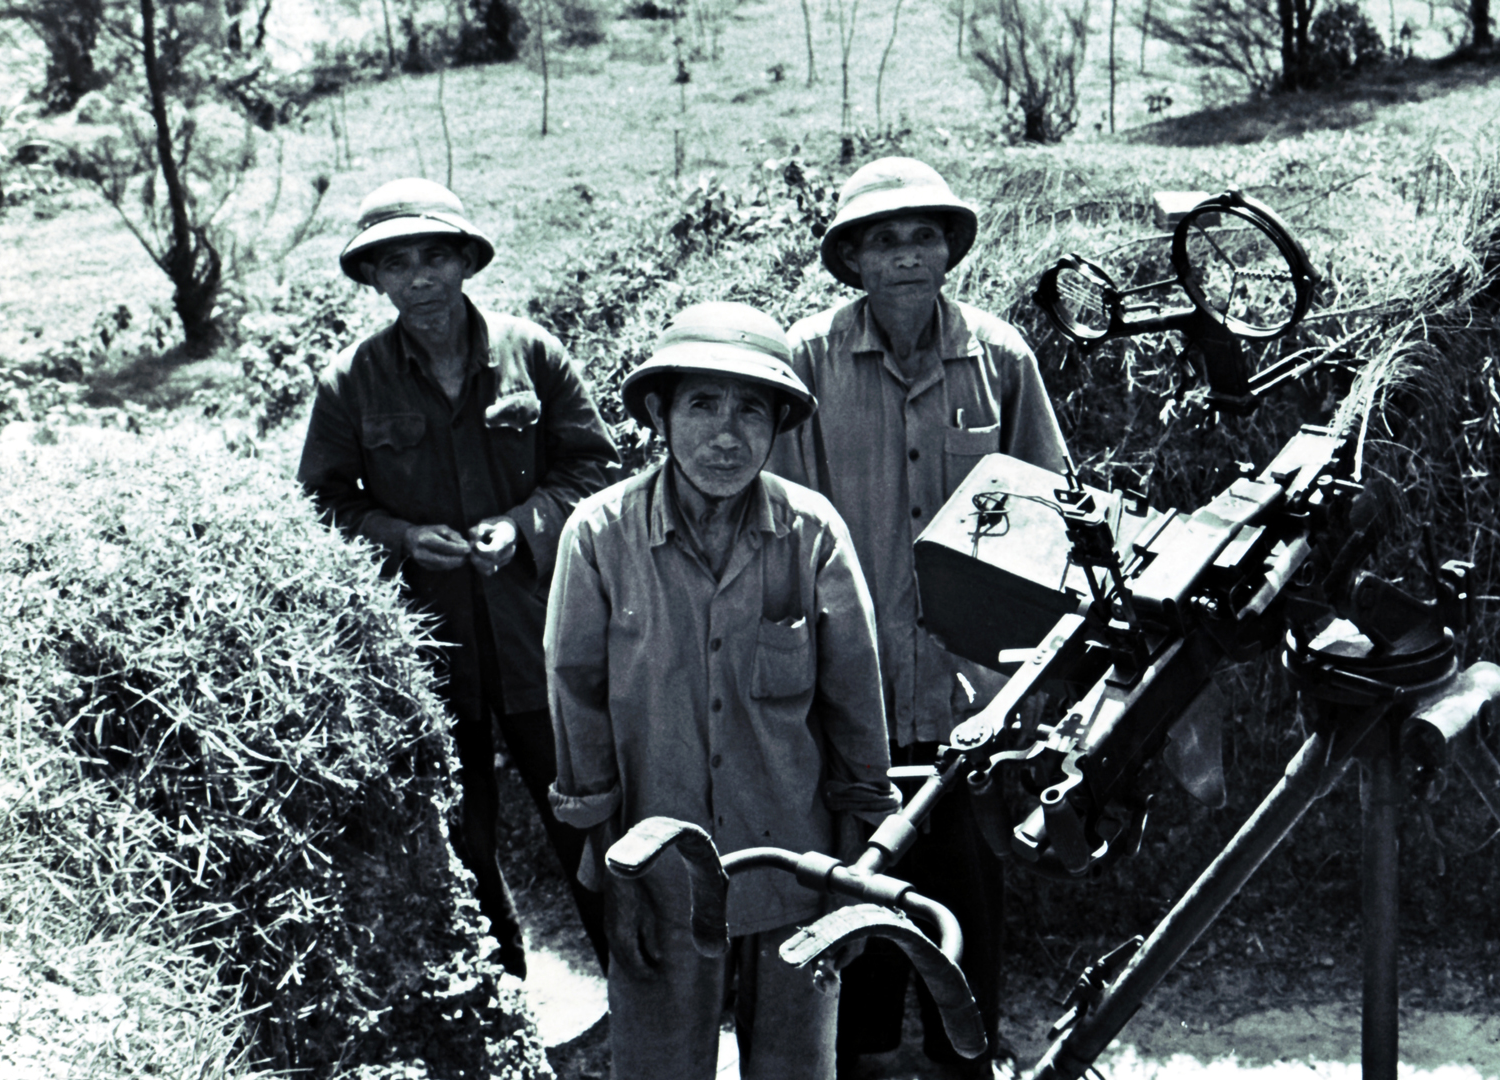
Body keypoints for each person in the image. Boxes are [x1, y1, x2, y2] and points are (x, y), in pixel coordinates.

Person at [545, 301, 901, 1080]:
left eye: (751, 411)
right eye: (702, 404)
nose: (727, 435)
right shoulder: (600, 535)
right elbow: (578, 710)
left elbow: (854, 712)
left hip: (796, 868)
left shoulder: (812, 534)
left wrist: (854, 872)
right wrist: (615, 877)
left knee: (797, 1069)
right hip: (656, 871)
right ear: (658, 416)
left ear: (777, 428)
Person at [771, 156, 1070, 1079]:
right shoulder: (808, 359)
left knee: (970, 878)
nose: (907, 254)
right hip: (848, 669)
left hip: (967, 679)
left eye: (924, 236)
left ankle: (964, 1046)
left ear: (950, 250)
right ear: (853, 258)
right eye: (885, 239)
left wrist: (1017, 667)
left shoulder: (1000, 357)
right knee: (856, 863)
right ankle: (861, 1047)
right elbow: (776, 518)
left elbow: (1050, 505)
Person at [298, 177, 620, 978]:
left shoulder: (532, 352)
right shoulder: (349, 383)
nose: (418, 278)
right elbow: (322, 505)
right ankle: (506, 1000)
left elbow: (593, 469)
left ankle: (639, 990)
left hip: (544, 636)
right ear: (372, 278)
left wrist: (523, 524)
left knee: (586, 812)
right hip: (427, 649)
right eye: (395, 262)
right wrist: (403, 538)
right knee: (465, 832)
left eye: (434, 256)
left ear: (465, 262)